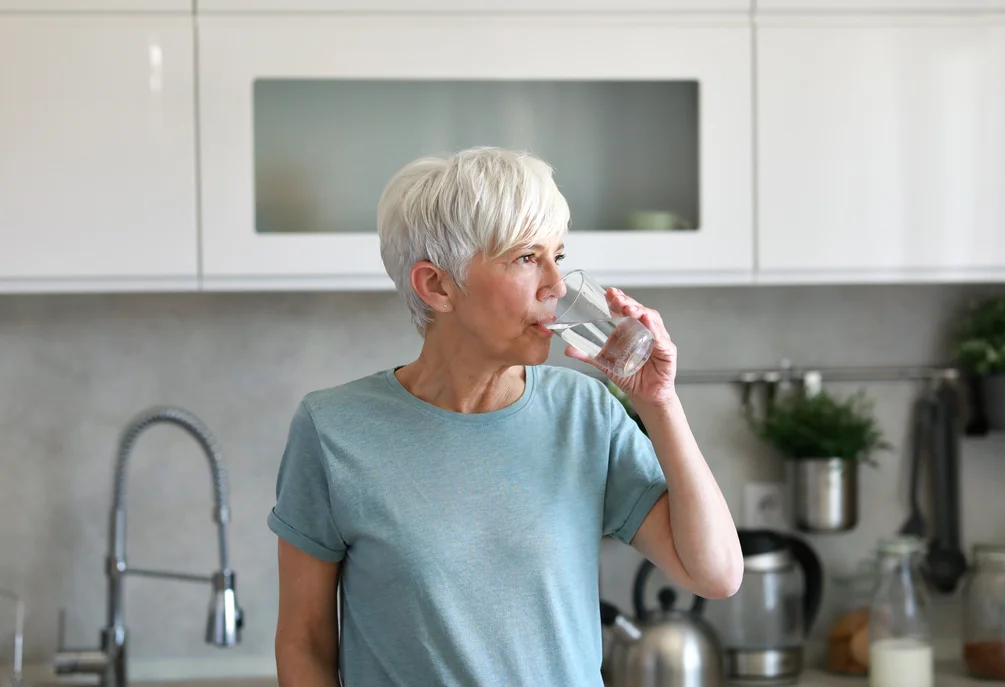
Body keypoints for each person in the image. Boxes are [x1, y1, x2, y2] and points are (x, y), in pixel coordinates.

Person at [268, 147, 742, 686]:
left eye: (557, 257)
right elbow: (303, 641)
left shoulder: (585, 415)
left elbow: (718, 574)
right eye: (525, 258)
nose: (557, 287)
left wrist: (659, 403)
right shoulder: (334, 431)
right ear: (437, 286)